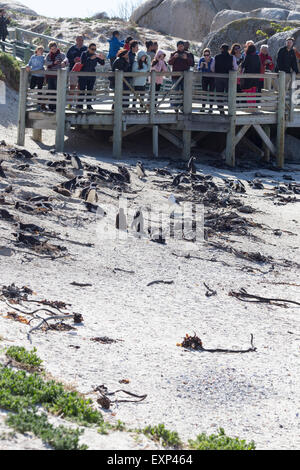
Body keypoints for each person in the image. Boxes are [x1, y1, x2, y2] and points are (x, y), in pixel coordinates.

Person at [78, 43, 105, 110]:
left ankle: (89, 106)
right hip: (83, 75)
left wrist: (102, 58)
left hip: (91, 76)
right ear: (88, 48)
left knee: (90, 91)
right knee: (82, 91)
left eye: (95, 49)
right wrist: (90, 58)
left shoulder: (95, 55)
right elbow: (82, 62)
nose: (94, 51)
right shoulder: (84, 53)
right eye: (92, 49)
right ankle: (80, 106)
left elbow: (102, 63)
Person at [168, 41, 194, 109]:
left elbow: (192, 64)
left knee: (184, 91)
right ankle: (176, 107)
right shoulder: (173, 54)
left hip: (185, 77)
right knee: (175, 91)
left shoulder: (188, 54)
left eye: (182, 46)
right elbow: (169, 63)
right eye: (179, 46)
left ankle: (183, 106)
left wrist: (186, 58)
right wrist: (174, 57)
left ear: (183, 46)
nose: (180, 48)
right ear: (177, 47)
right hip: (175, 77)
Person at [214, 43, 237, 114]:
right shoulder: (232, 57)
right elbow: (235, 67)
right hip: (228, 77)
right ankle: (230, 109)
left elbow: (212, 67)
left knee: (219, 93)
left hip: (218, 77)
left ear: (221, 49)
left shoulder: (216, 57)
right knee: (229, 93)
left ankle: (221, 110)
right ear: (228, 50)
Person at [45, 41, 67, 111]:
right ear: (50, 49)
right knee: (51, 91)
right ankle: (51, 106)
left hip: (58, 76)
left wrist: (64, 62)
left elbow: (66, 59)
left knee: (59, 91)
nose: (54, 50)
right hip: (50, 76)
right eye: (52, 49)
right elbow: (46, 62)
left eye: (55, 48)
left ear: (57, 48)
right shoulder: (48, 55)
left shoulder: (61, 54)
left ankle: (58, 107)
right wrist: (53, 63)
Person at [26, 46, 45, 111]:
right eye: (40, 50)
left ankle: (39, 104)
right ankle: (30, 101)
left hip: (40, 76)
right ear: (37, 50)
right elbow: (29, 63)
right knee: (31, 87)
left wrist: (31, 69)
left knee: (40, 89)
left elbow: (40, 66)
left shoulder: (42, 57)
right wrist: (27, 66)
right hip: (34, 74)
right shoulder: (33, 56)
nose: (41, 52)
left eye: (42, 51)